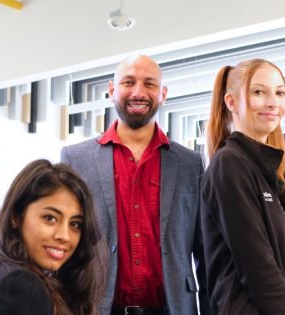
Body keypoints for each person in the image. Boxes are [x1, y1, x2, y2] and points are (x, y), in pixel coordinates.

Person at [61, 54, 211, 315]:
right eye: (129, 83)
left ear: (163, 94)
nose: (139, 92)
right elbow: (62, 246)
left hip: (172, 309)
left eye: (149, 84)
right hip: (96, 308)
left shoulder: (191, 164)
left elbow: (206, 253)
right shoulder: (75, 159)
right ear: (112, 90)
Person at [199, 59, 285, 314]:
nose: (272, 102)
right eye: (258, 92)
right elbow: (258, 268)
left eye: (280, 93)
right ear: (231, 102)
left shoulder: (266, 171)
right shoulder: (229, 164)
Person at [0, 159, 105, 315]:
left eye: (75, 224)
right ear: (16, 217)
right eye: (50, 218)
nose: (64, 236)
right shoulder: (21, 283)